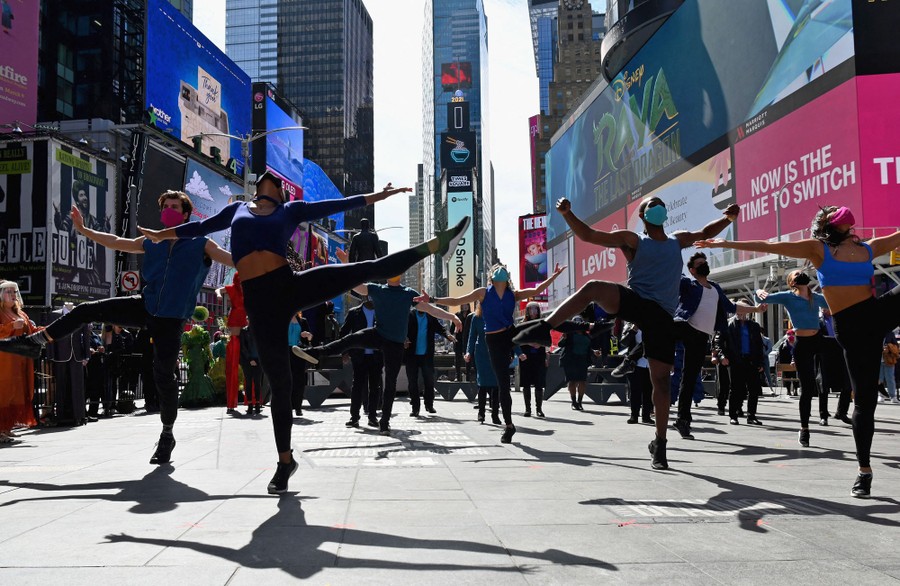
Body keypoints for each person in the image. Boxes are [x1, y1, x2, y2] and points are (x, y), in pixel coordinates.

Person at [141, 170, 470, 493]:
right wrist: (159, 236)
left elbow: (336, 205)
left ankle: (435, 245)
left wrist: (379, 196)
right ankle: (285, 463)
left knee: (365, 269)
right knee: (280, 386)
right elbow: (196, 228)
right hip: (260, 304)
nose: (270, 178)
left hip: (290, 286)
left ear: (283, 192)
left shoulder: (290, 210)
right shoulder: (236, 210)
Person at [0, 191, 233, 464]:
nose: (169, 210)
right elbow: (116, 241)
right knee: (86, 310)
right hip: (145, 306)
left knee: (164, 378)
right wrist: (84, 229)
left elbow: (231, 259)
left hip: (171, 319)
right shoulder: (151, 241)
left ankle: (167, 434)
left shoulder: (201, 243)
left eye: (174, 207)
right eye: (165, 206)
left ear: (185, 214)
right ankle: (36, 341)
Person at [514, 196, 741, 469]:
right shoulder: (634, 240)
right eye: (651, 203)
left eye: (660, 202)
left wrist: (727, 218)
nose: (658, 204)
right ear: (644, 216)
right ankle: (544, 327)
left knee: (660, 382)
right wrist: (566, 214)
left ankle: (660, 443)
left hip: (661, 318)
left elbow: (705, 233)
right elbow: (588, 235)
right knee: (594, 286)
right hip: (636, 302)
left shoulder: (676, 240)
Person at [696, 205, 900, 497]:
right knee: (866, 402)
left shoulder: (868, 248)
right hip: (851, 329)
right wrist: (725, 243)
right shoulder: (818, 249)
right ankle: (864, 471)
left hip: (874, 314)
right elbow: (770, 245)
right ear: (828, 224)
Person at [419, 262, 566, 445]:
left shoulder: (514, 294)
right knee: (503, 384)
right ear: (491, 276)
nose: (500, 270)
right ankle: (509, 425)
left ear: (507, 277)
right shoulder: (483, 292)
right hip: (493, 340)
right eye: (496, 269)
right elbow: (457, 301)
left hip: (509, 333)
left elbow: (538, 288)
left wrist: (554, 276)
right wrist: (431, 299)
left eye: (503, 268)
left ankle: (541, 339)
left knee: (540, 326)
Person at [293, 274, 460, 434]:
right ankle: (316, 353)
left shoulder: (408, 293)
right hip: (378, 334)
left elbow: (431, 310)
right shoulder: (377, 289)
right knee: (351, 339)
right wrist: (346, 264)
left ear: (400, 274)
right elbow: (357, 287)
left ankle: (384, 422)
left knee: (390, 383)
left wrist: (451, 316)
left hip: (395, 343)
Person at [671, 251, 765, 440]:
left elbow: (732, 307)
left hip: (701, 337)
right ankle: (633, 357)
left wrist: (755, 309)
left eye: (705, 262)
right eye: (699, 263)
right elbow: (672, 277)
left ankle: (683, 420)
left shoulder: (715, 288)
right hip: (684, 326)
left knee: (688, 378)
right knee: (661, 332)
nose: (704, 265)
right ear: (692, 270)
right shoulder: (688, 284)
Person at [755, 270, 829, 447]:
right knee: (807, 388)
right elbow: (760, 299)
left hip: (819, 339)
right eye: (796, 274)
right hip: (802, 343)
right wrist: (758, 291)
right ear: (791, 282)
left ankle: (840, 406)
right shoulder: (788, 296)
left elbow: (836, 303)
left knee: (838, 357)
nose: (801, 274)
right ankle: (804, 429)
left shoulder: (816, 297)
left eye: (802, 273)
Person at [0, 281, 37, 443]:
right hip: (4, 361)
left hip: (19, 361)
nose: (13, 294)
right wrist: (11, 326)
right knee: (3, 393)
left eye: (14, 291)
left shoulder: (21, 314)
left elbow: (32, 331)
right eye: (8, 291)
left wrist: (48, 331)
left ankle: (7, 428)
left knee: (15, 394)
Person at [339, 298, 383, 428]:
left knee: (375, 387)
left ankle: (373, 417)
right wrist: (344, 352)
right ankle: (354, 417)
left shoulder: (381, 312)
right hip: (359, 356)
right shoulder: (354, 312)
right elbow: (344, 332)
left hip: (376, 356)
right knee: (357, 386)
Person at [46, 302, 92, 426]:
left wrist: (86, 354)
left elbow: (85, 336)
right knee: (61, 385)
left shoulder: (80, 314)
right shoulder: (53, 315)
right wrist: (50, 355)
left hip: (77, 354)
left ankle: (79, 415)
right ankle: (61, 415)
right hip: (60, 354)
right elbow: (49, 335)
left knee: (78, 386)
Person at [719, 309, 767, 426]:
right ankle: (733, 415)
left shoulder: (754, 326)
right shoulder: (728, 324)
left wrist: (760, 363)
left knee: (754, 389)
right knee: (736, 389)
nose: (742, 314)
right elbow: (718, 341)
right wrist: (721, 356)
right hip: (736, 361)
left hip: (751, 361)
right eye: (739, 311)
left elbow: (759, 345)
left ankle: (751, 415)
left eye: (744, 311)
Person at [405, 307, 455, 417]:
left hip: (426, 355)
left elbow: (440, 328)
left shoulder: (430, 315)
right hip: (411, 354)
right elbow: (402, 329)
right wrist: (404, 338)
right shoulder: (410, 315)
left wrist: (447, 335)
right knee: (412, 382)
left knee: (429, 381)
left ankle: (429, 405)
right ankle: (415, 408)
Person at [216, 273, 247, 415]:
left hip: (246, 330)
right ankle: (231, 403)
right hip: (235, 329)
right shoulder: (233, 289)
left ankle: (253, 400)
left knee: (251, 368)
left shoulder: (248, 289)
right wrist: (218, 295)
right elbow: (218, 290)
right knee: (232, 368)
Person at [466, 300, 501, 425]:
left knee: (496, 384)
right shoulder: (476, 317)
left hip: (495, 352)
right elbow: (472, 336)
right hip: (480, 354)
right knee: (482, 383)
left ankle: (495, 414)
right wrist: (468, 352)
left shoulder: (498, 315)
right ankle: (481, 413)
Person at [518, 302, 547, 417]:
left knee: (539, 383)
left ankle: (539, 409)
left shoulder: (542, 323)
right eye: (531, 309)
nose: (534, 312)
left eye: (536, 309)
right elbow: (518, 340)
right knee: (526, 384)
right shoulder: (522, 324)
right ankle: (528, 409)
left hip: (539, 357)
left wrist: (540, 344)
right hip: (526, 357)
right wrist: (529, 343)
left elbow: (547, 339)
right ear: (527, 311)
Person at [623, 325, 654, 425]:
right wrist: (633, 330)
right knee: (635, 390)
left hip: (650, 364)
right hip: (635, 364)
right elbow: (624, 343)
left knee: (648, 391)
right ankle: (634, 415)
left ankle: (646, 416)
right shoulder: (630, 325)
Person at [558, 324, 591, 411]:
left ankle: (579, 402)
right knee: (572, 381)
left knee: (582, 382)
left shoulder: (586, 335)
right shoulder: (569, 334)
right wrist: (564, 338)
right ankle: (573, 402)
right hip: (570, 360)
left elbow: (588, 347)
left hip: (583, 360)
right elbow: (560, 344)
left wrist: (594, 352)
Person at [288, 311, 312, 417]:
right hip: (286, 352)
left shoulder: (302, 321)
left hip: (298, 352)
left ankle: (298, 407)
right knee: (287, 380)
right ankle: (288, 406)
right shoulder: (283, 319)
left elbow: (310, 339)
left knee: (299, 380)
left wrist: (307, 335)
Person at [451, 303, 473, 382]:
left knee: (468, 358)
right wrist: (451, 336)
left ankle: (468, 376)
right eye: (463, 305)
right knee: (457, 358)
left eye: (466, 305)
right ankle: (458, 376)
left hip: (468, 339)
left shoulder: (471, 315)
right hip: (458, 339)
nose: (465, 307)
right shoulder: (457, 315)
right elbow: (452, 328)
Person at [880, 331, 898, 403]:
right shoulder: (874, 332)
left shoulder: (890, 333)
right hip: (878, 360)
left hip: (888, 359)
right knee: (879, 379)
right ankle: (881, 395)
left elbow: (896, 345)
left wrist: (889, 347)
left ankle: (892, 396)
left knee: (890, 379)